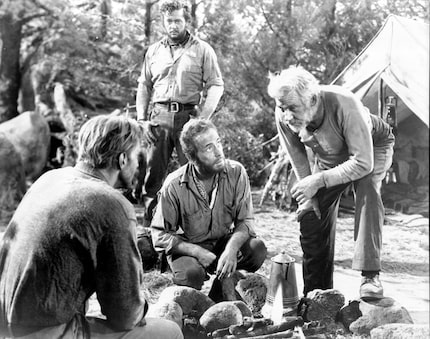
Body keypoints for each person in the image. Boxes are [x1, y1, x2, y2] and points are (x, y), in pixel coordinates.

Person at [0, 115, 183, 339]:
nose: (138, 166)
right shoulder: (112, 204)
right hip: (40, 331)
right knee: (168, 332)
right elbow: (126, 315)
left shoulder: (49, 178)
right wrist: (143, 306)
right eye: (137, 157)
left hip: (7, 322)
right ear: (122, 159)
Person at [267, 66, 395, 299]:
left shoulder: (346, 104)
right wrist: (310, 190)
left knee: (366, 188)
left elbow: (363, 163)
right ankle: (319, 292)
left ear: (313, 100)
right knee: (311, 211)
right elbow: (297, 156)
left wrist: (320, 179)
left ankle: (370, 275)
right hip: (330, 157)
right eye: (281, 108)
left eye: (292, 108)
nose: (286, 115)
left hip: (371, 149)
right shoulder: (284, 111)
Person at [151, 119, 267, 302]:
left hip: (223, 243)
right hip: (189, 248)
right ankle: (190, 305)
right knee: (191, 274)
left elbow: (245, 221)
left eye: (218, 143)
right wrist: (197, 252)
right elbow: (159, 234)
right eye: (208, 148)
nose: (219, 152)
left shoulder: (236, 172)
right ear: (192, 156)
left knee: (257, 249)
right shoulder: (174, 185)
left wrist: (230, 250)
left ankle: (218, 295)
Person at [136, 0, 224, 226]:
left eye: (178, 21)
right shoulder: (153, 51)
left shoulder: (203, 50)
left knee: (196, 173)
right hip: (159, 118)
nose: (173, 25)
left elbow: (215, 84)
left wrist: (203, 117)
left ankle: (198, 229)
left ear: (186, 21)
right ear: (163, 23)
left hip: (189, 119)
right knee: (153, 178)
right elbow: (144, 85)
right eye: (169, 21)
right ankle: (150, 231)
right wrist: (142, 120)